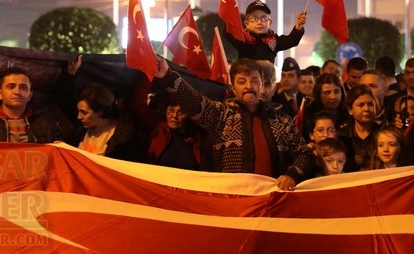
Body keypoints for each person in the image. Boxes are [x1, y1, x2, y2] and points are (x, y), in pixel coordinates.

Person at [152, 56, 313, 191]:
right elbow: (193, 101)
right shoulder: (221, 115)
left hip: (272, 202)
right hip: (231, 201)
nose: (249, 86)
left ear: (262, 86)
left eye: (254, 81)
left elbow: (303, 153)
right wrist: (167, 75)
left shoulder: (281, 120)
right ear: (233, 88)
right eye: (242, 81)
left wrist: (291, 175)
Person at [0, 67, 67, 143]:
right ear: (0, 94)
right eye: (11, 87)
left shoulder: (48, 125)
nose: (17, 92)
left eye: (23, 88)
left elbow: (61, 156)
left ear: (30, 95)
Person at [71, 83, 145, 160]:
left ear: (100, 112)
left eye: (84, 112)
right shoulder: (82, 129)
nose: (78, 117)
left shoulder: (121, 137)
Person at [224, 0, 306, 63]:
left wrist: (298, 25)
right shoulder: (242, 39)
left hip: (267, 82)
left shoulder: (273, 40)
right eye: (254, 19)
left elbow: (291, 41)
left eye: (264, 18)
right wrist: (229, 18)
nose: (259, 22)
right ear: (246, 24)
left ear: (270, 23)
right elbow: (229, 34)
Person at [146, 97, 205, 170]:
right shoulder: (159, 131)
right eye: (171, 110)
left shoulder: (197, 139)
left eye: (181, 112)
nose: (174, 116)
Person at [338, 85, 380, 171]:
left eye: (370, 104)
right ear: (350, 110)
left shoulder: (383, 132)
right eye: (361, 105)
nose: (366, 109)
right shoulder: (341, 135)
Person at [299, 73, 347, 139]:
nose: (333, 97)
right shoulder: (308, 115)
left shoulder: (348, 114)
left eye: (336, 91)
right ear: (318, 94)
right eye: (327, 92)